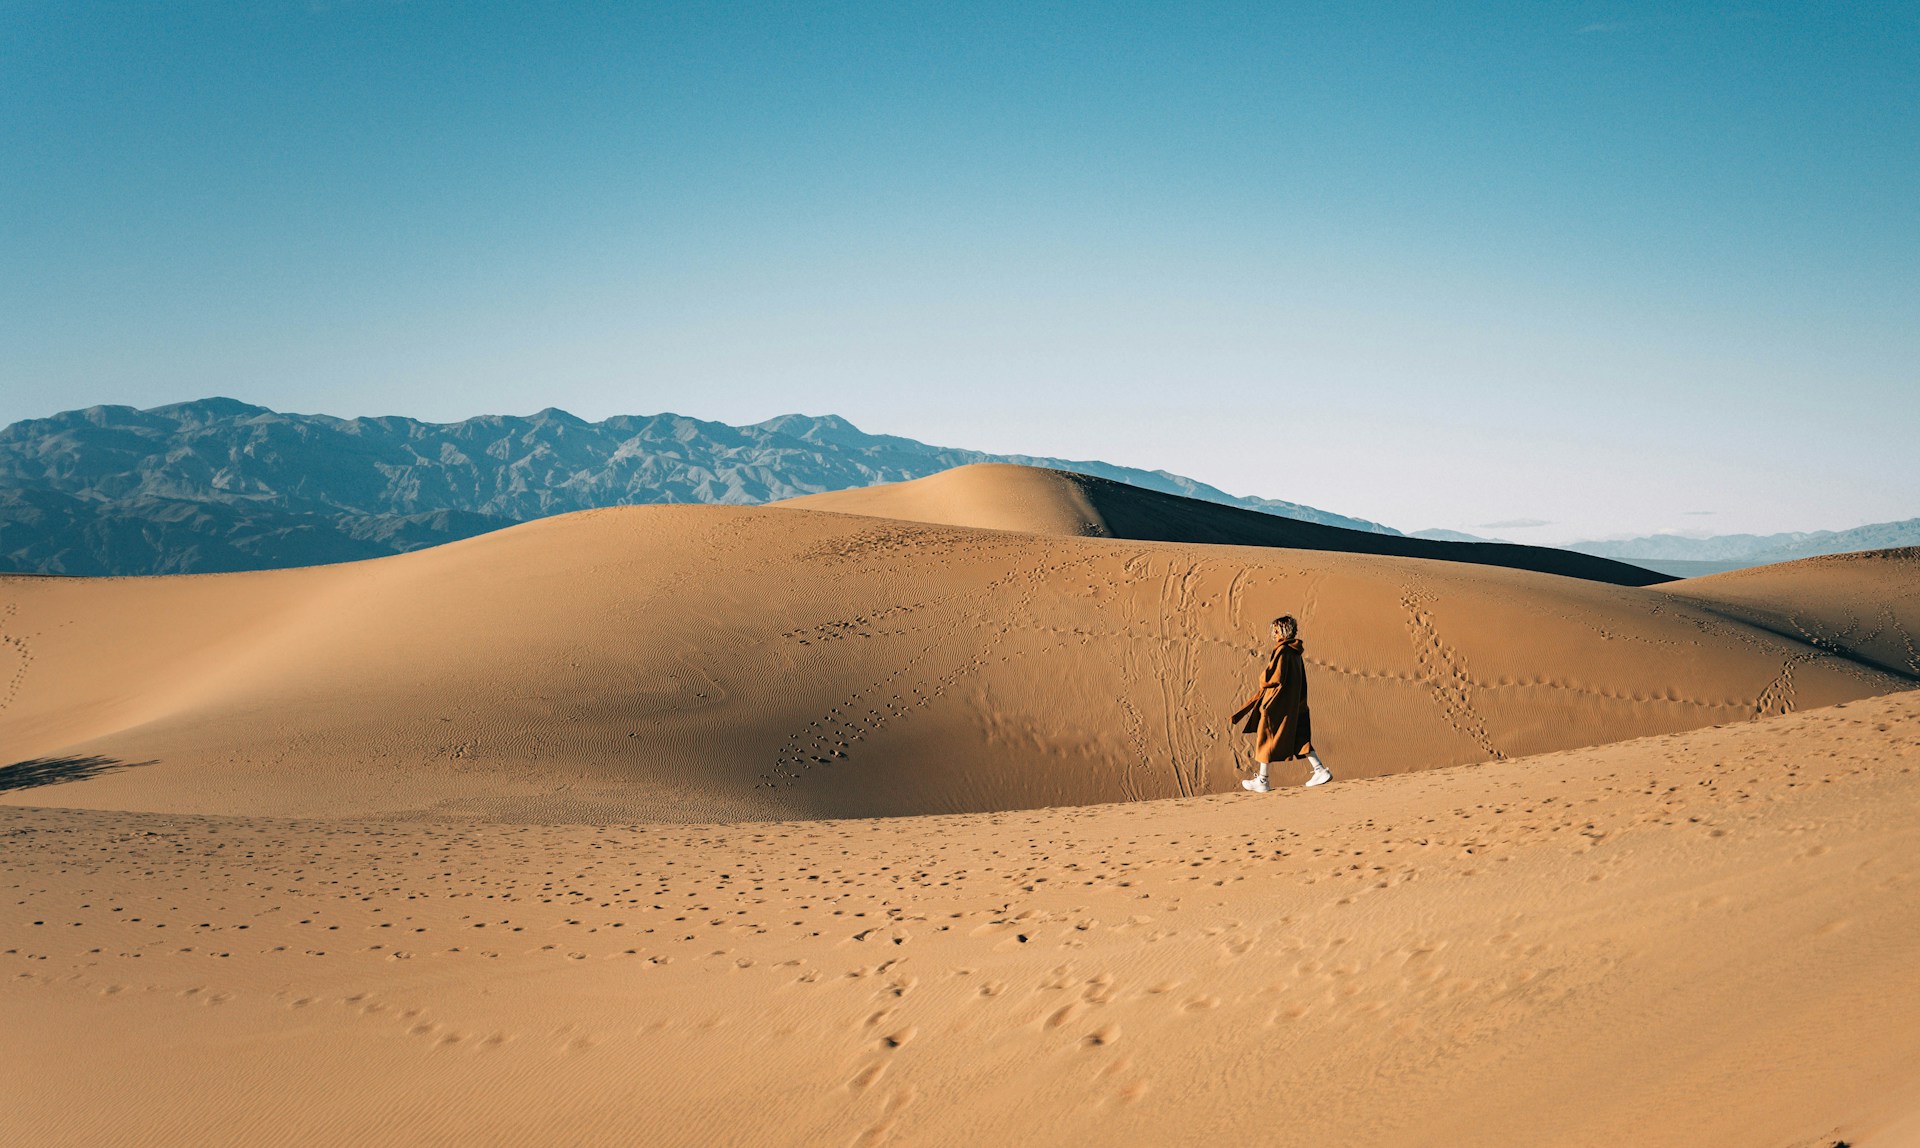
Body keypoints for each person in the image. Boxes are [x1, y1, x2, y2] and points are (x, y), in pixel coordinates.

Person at [1231, 614, 1331, 792]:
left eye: (1276, 630)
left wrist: (1263, 680)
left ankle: (1263, 780)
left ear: (1283, 631)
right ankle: (1319, 769)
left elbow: (1273, 678)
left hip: (1279, 704)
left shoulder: (1283, 651)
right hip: (1294, 703)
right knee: (1299, 738)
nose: (1274, 634)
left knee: (1266, 737)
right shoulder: (1295, 651)